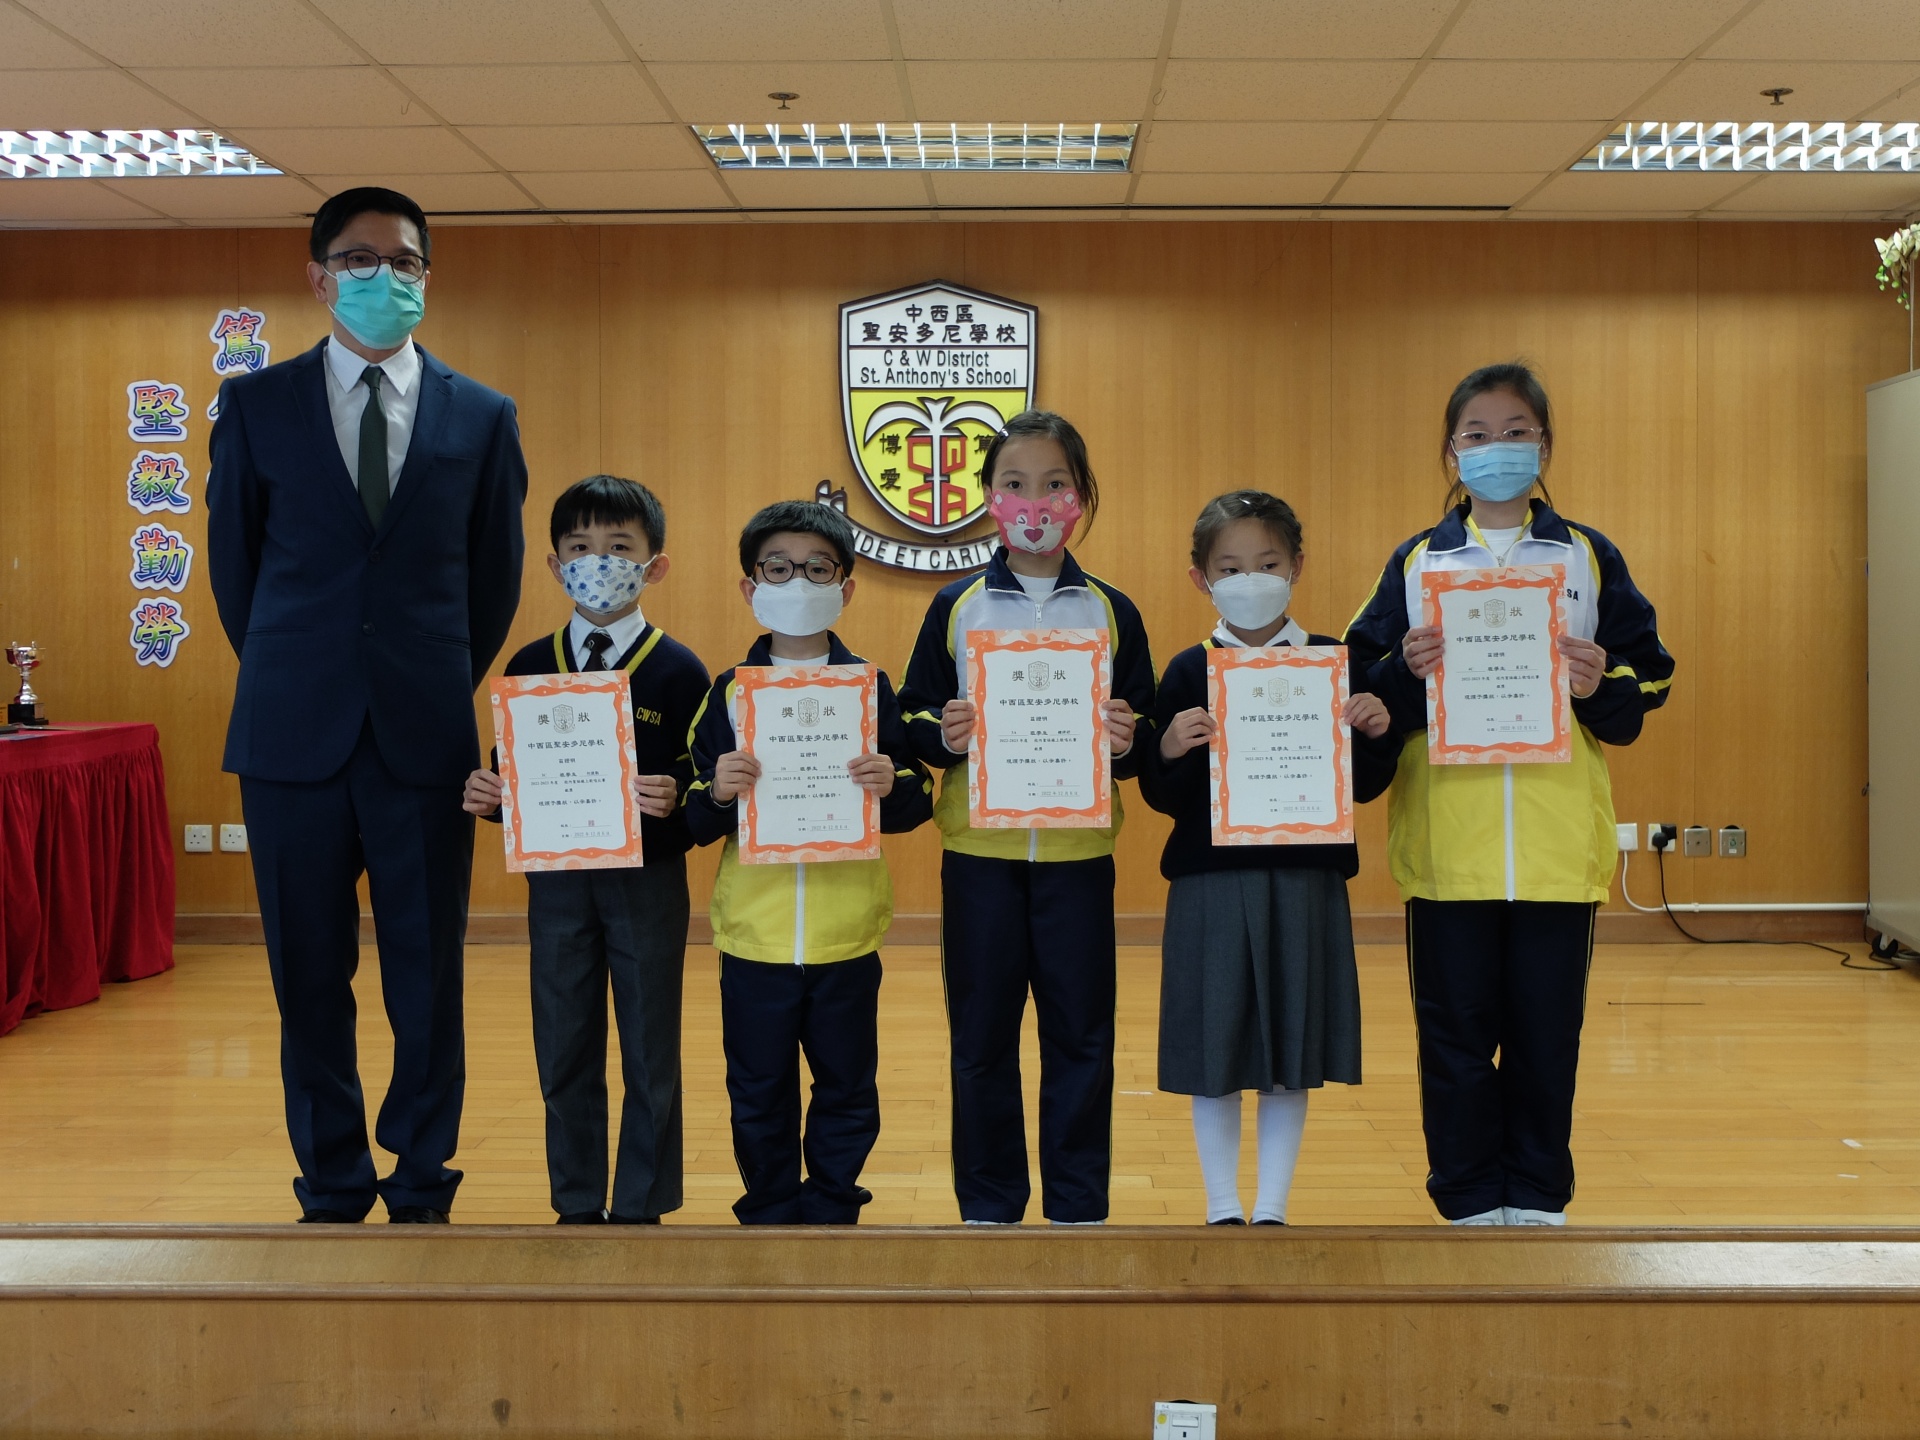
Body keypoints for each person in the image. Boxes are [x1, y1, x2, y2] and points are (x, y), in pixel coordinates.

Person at [207, 186, 528, 1224]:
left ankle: (422, 1174)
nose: (382, 276)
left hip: (424, 741)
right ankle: (334, 1178)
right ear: (318, 277)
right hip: (289, 739)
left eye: (404, 261)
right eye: (358, 259)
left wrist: (428, 676)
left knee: (426, 977)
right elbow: (235, 574)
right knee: (308, 975)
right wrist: (303, 670)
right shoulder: (255, 407)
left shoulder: (482, 416)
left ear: (427, 277)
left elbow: (492, 581)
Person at [1344, 362, 1673, 1227]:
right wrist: (1402, 669)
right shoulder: (1416, 562)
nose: (1498, 448)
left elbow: (1651, 678)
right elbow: (1356, 686)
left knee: (1545, 1038)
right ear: (1452, 451)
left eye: (1516, 432)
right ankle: (1463, 1197)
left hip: (1557, 847)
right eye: (1478, 435)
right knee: (1452, 1039)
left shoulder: (1586, 556)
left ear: (1545, 444)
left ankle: (1535, 1198)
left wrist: (1601, 681)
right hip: (1448, 847)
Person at [898, 410, 1155, 1225]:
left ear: (1082, 497)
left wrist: (1128, 738)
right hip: (982, 853)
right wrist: (943, 731)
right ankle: (988, 1203)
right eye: (1014, 483)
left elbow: (1144, 730)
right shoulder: (957, 605)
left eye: (1054, 484)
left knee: (1081, 1035)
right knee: (981, 1037)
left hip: (1077, 855)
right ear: (988, 497)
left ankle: (1078, 1204)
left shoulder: (1112, 610)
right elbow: (910, 715)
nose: (1034, 501)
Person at [1140, 491, 1400, 1225]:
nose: (1250, 579)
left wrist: (1377, 730)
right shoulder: (1188, 670)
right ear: (1201, 578)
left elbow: (1365, 783)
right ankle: (1222, 1202)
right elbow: (1162, 794)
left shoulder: (1333, 663)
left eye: (1268, 563)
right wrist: (1168, 748)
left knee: (1294, 1043)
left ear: (1296, 568)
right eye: (1230, 568)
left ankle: (1273, 1204)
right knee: (1212, 1043)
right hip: (1211, 880)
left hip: (1306, 876)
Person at [463, 476, 709, 1225]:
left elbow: (706, 794)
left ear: (654, 565)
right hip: (559, 885)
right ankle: (574, 1201)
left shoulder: (681, 670)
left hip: (648, 882)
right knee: (563, 1041)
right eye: (580, 547)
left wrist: (676, 800)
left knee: (649, 1045)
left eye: (619, 547)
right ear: (555, 564)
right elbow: (513, 780)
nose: (598, 561)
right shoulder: (529, 666)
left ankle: (641, 1202)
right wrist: (489, 795)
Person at [684, 501, 933, 1224]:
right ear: (750, 585)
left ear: (845, 586)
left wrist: (891, 784)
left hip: (845, 930)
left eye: (817, 568)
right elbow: (693, 813)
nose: (798, 581)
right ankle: (767, 1204)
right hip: (754, 934)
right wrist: (719, 791)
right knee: (757, 1085)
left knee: (847, 1082)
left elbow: (916, 797)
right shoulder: (729, 691)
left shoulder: (869, 687)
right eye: (778, 567)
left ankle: (831, 1201)